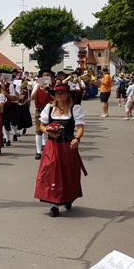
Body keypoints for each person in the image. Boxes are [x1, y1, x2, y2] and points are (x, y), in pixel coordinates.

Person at [34, 83, 86, 217]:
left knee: (67, 172)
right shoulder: (49, 108)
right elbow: (42, 126)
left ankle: (67, 198)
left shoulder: (75, 108)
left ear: (68, 94)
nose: (59, 95)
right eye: (57, 93)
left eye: (62, 93)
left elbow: (80, 127)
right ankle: (54, 204)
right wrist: (49, 132)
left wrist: (77, 138)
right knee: (50, 171)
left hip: (67, 145)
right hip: (52, 145)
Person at [31, 70, 55, 160]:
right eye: (44, 76)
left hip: (50, 109)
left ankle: (46, 146)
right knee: (38, 130)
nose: (45, 78)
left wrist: (49, 90)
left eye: (47, 76)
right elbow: (32, 98)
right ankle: (38, 151)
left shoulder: (53, 86)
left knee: (48, 128)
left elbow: (55, 98)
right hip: (39, 109)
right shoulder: (37, 86)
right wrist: (37, 88)